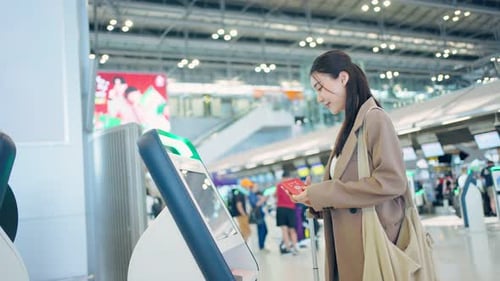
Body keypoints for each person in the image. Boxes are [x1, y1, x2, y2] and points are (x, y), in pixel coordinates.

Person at [289, 50, 409, 280]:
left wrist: (324, 193)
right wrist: (315, 199)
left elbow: (392, 182)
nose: (319, 98)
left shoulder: (374, 119)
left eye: (320, 87)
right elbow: (346, 191)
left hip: (371, 244)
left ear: (343, 78)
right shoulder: (349, 127)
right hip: (348, 244)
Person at [275, 170, 299, 255]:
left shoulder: (279, 185)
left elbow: (276, 196)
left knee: (284, 230)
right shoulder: (292, 185)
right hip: (290, 209)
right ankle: (295, 247)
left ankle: (288, 248)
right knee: (292, 230)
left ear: (282, 178)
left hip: (281, 209)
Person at [248, 183, 268, 251]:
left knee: (263, 230)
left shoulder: (256, 194)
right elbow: (256, 204)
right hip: (258, 215)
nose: (257, 187)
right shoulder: (251, 195)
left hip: (260, 214)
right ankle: (261, 246)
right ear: (252, 187)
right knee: (263, 230)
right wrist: (263, 199)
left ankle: (261, 245)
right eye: (256, 186)